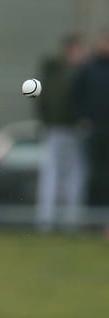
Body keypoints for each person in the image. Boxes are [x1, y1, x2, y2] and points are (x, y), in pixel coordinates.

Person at [35, 33, 87, 234]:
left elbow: (42, 103)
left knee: (52, 174)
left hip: (53, 128)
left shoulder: (51, 72)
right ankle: (67, 221)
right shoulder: (71, 73)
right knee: (72, 174)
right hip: (69, 129)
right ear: (72, 50)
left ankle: (48, 220)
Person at [72, 30, 109, 236]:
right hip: (95, 129)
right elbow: (76, 95)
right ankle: (90, 221)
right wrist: (82, 118)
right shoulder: (89, 68)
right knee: (92, 174)